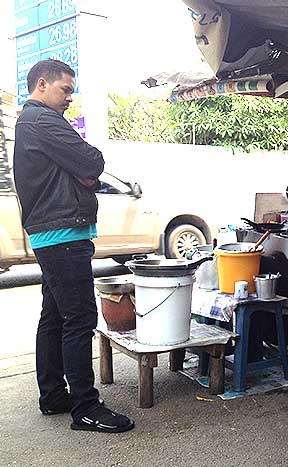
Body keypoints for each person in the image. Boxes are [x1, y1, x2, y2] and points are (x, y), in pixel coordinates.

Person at [13, 59, 134, 433]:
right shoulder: (42, 120)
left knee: (54, 315)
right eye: (65, 90)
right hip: (63, 232)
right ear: (42, 84)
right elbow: (91, 162)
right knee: (80, 318)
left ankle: (52, 396)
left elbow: (85, 172)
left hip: (51, 232)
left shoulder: (31, 123)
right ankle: (85, 407)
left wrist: (83, 173)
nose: (70, 97)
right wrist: (83, 171)